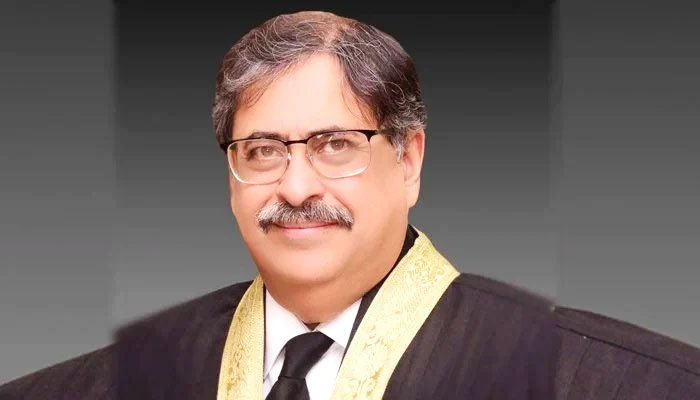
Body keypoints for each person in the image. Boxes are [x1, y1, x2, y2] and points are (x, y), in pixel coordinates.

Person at [0, 10, 560, 400]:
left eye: (335, 144)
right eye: (263, 151)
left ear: (408, 160)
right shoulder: (96, 386)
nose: (295, 189)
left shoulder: (576, 374)